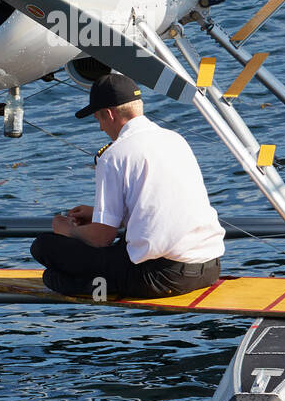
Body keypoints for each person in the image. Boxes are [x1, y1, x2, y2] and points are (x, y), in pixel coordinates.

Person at [30, 73, 224, 299]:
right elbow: (158, 207)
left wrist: (66, 228)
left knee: (45, 252)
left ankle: (87, 284)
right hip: (210, 268)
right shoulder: (175, 139)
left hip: (161, 278)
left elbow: (101, 238)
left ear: (110, 115)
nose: (101, 128)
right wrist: (97, 214)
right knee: (115, 250)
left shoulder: (114, 154)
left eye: (98, 120)